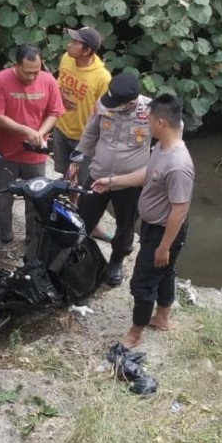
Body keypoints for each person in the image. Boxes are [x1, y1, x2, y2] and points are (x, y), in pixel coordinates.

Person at [91, 93, 194, 349]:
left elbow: (179, 210)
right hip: (152, 226)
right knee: (165, 273)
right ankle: (162, 318)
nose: (145, 123)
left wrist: (164, 246)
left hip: (164, 231)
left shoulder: (178, 165)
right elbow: (148, 173)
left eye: (148, 119)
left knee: (142, 282)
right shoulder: (161, 147)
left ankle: (134, 334)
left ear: (160, 123)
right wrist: (112, 182)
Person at [66, 73, 152, 287]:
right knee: (84, 217)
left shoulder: (150, 110)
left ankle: (116, 262)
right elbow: (90, 134)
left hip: (130, 183)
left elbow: (172, 133)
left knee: (126, 225)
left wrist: (157, 165)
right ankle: (76, 256)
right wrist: (76, 161)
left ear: (130, 103)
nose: (110, 105)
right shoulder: (103, 104)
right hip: (99, 174)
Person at [0, 45, 64, 252]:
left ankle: (33, 241)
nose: (32, 77)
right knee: (3, 198)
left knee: (35, 200)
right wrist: (26, 131)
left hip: (35, 155)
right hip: (6, 152)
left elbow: (54, 113)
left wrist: (40, 133)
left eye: (36, 72)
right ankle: (3, 235)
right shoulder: (0, 81)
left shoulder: (48, 81)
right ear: (16, 65)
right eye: (27, 72)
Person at [50, 26, 111, 179]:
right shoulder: (66, 58)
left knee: (84, 180)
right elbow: (58, 82)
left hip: (85, 139)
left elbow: (105, 113)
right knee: (64, 175)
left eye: (75, 42)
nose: (69, 45)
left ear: (87, 50)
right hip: (61, 129)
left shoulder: (102, 77)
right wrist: (59, 93)